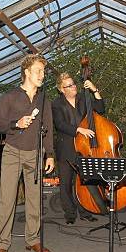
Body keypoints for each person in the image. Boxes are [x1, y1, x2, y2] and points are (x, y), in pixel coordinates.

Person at [0, 54, 55, 252]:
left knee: (34, 199)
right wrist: (16, 124)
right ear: (27, 72)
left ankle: (33, 240)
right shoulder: (9, 97)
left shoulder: (44, 99)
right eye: (38, 70)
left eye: (43, 71)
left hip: (35, 153)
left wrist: (50, 154)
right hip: (12, 151)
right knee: (7, 199)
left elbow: (49, 128)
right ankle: (1, 244)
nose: (42, 75)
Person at [51, 72, 104, 224]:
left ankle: (85, 212)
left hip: (84, 147)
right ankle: (70, 214)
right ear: (62, 89)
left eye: (73, 84)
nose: (74, 86)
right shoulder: (56, 104)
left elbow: (100, 109)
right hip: (66, 148)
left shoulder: (83, 98)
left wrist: (95, 90)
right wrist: (79, 129)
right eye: (69, 85)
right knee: (66, 184)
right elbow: (60, 124)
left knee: (83, 182)